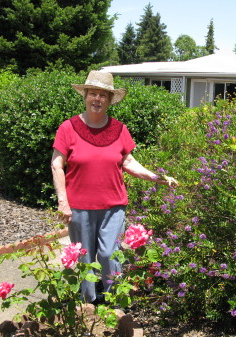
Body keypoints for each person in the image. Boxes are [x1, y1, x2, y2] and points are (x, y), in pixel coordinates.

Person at [51, 70, 177, 304]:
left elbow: (128, 162)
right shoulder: (68, 128)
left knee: (110, 253)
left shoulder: (119, 129)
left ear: (110, 101)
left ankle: (115, 302)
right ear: (86, 96)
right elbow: (57, 165)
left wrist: (155, 176)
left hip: (113, 206)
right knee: (84, 257)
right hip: (79, 207)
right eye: (93, 94)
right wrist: (63, 202)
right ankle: (87, 304)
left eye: (103, 95)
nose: (97, 99)